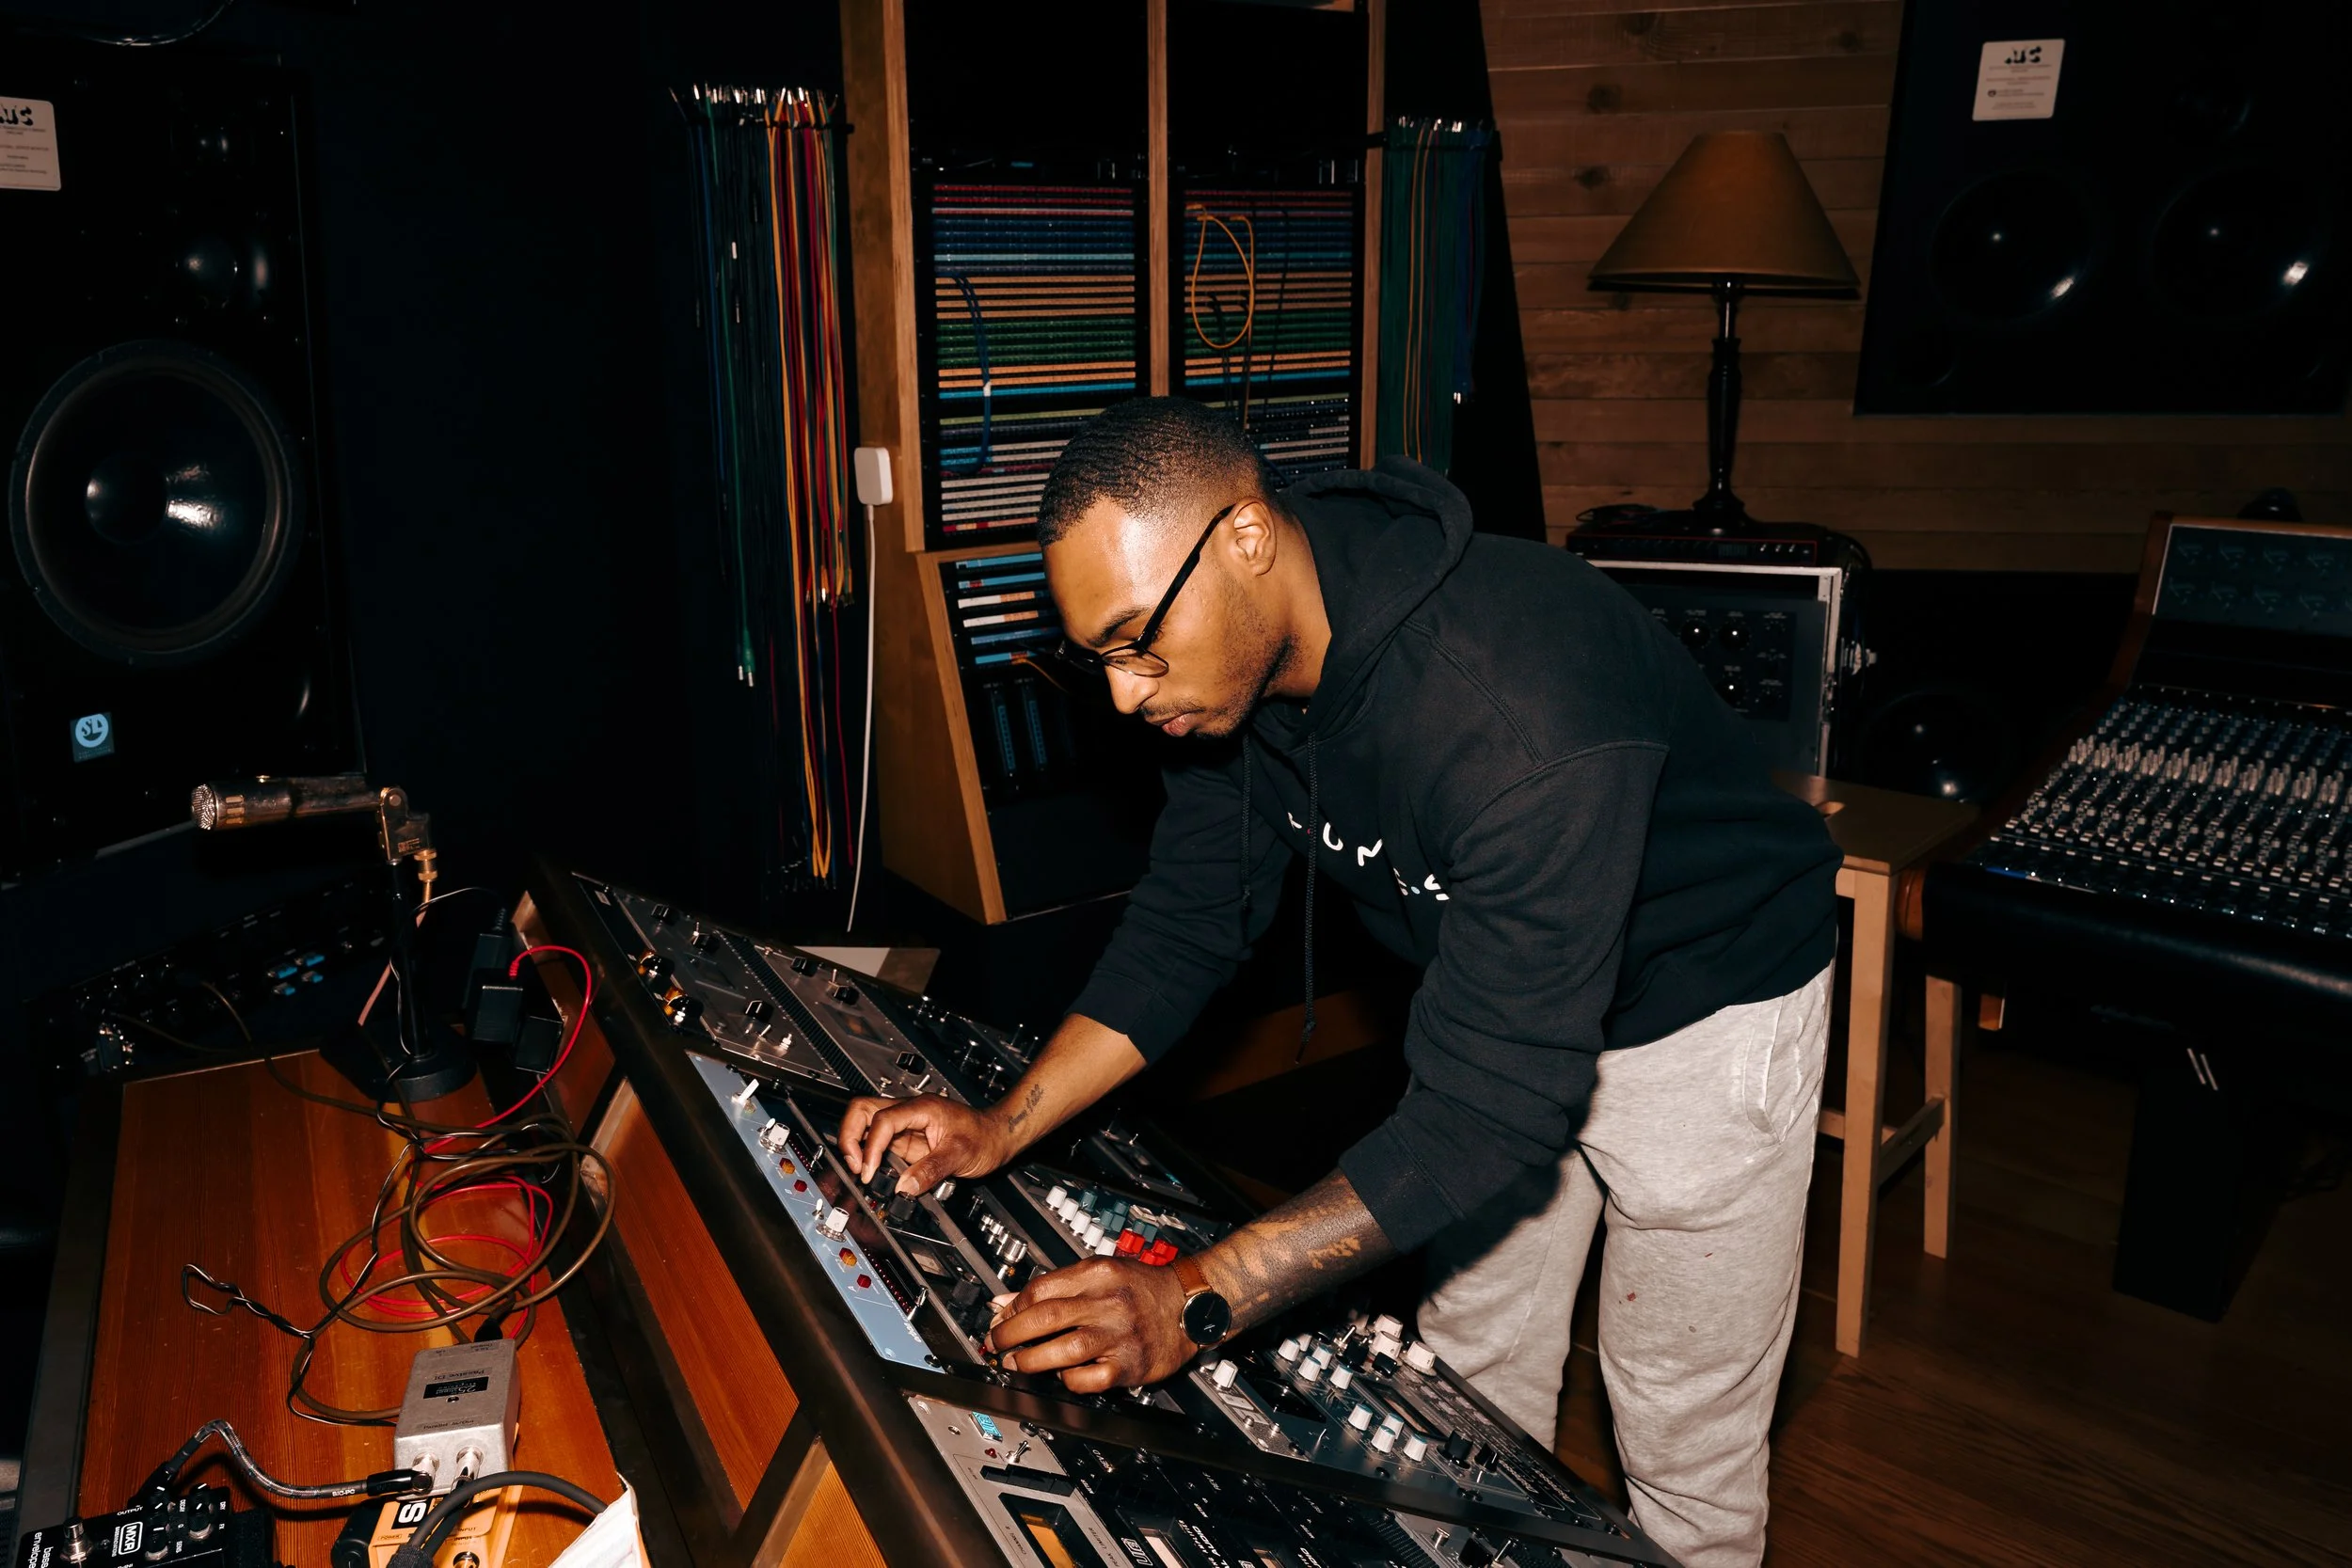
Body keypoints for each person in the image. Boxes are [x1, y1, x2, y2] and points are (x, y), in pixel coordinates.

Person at [841, 398, 1840, 1568]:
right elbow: (1189, 923)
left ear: (1248, 538)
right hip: (1495, 997)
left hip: (1703, 1007)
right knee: (1464, 1367)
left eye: (1136, 639)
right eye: (1096, 656)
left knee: (1679, 1427)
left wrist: (1191, 1298)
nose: (1123, 693)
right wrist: (1003, 1122)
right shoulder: (1230, 661)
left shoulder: (1519, 711)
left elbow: (1486, 1108)